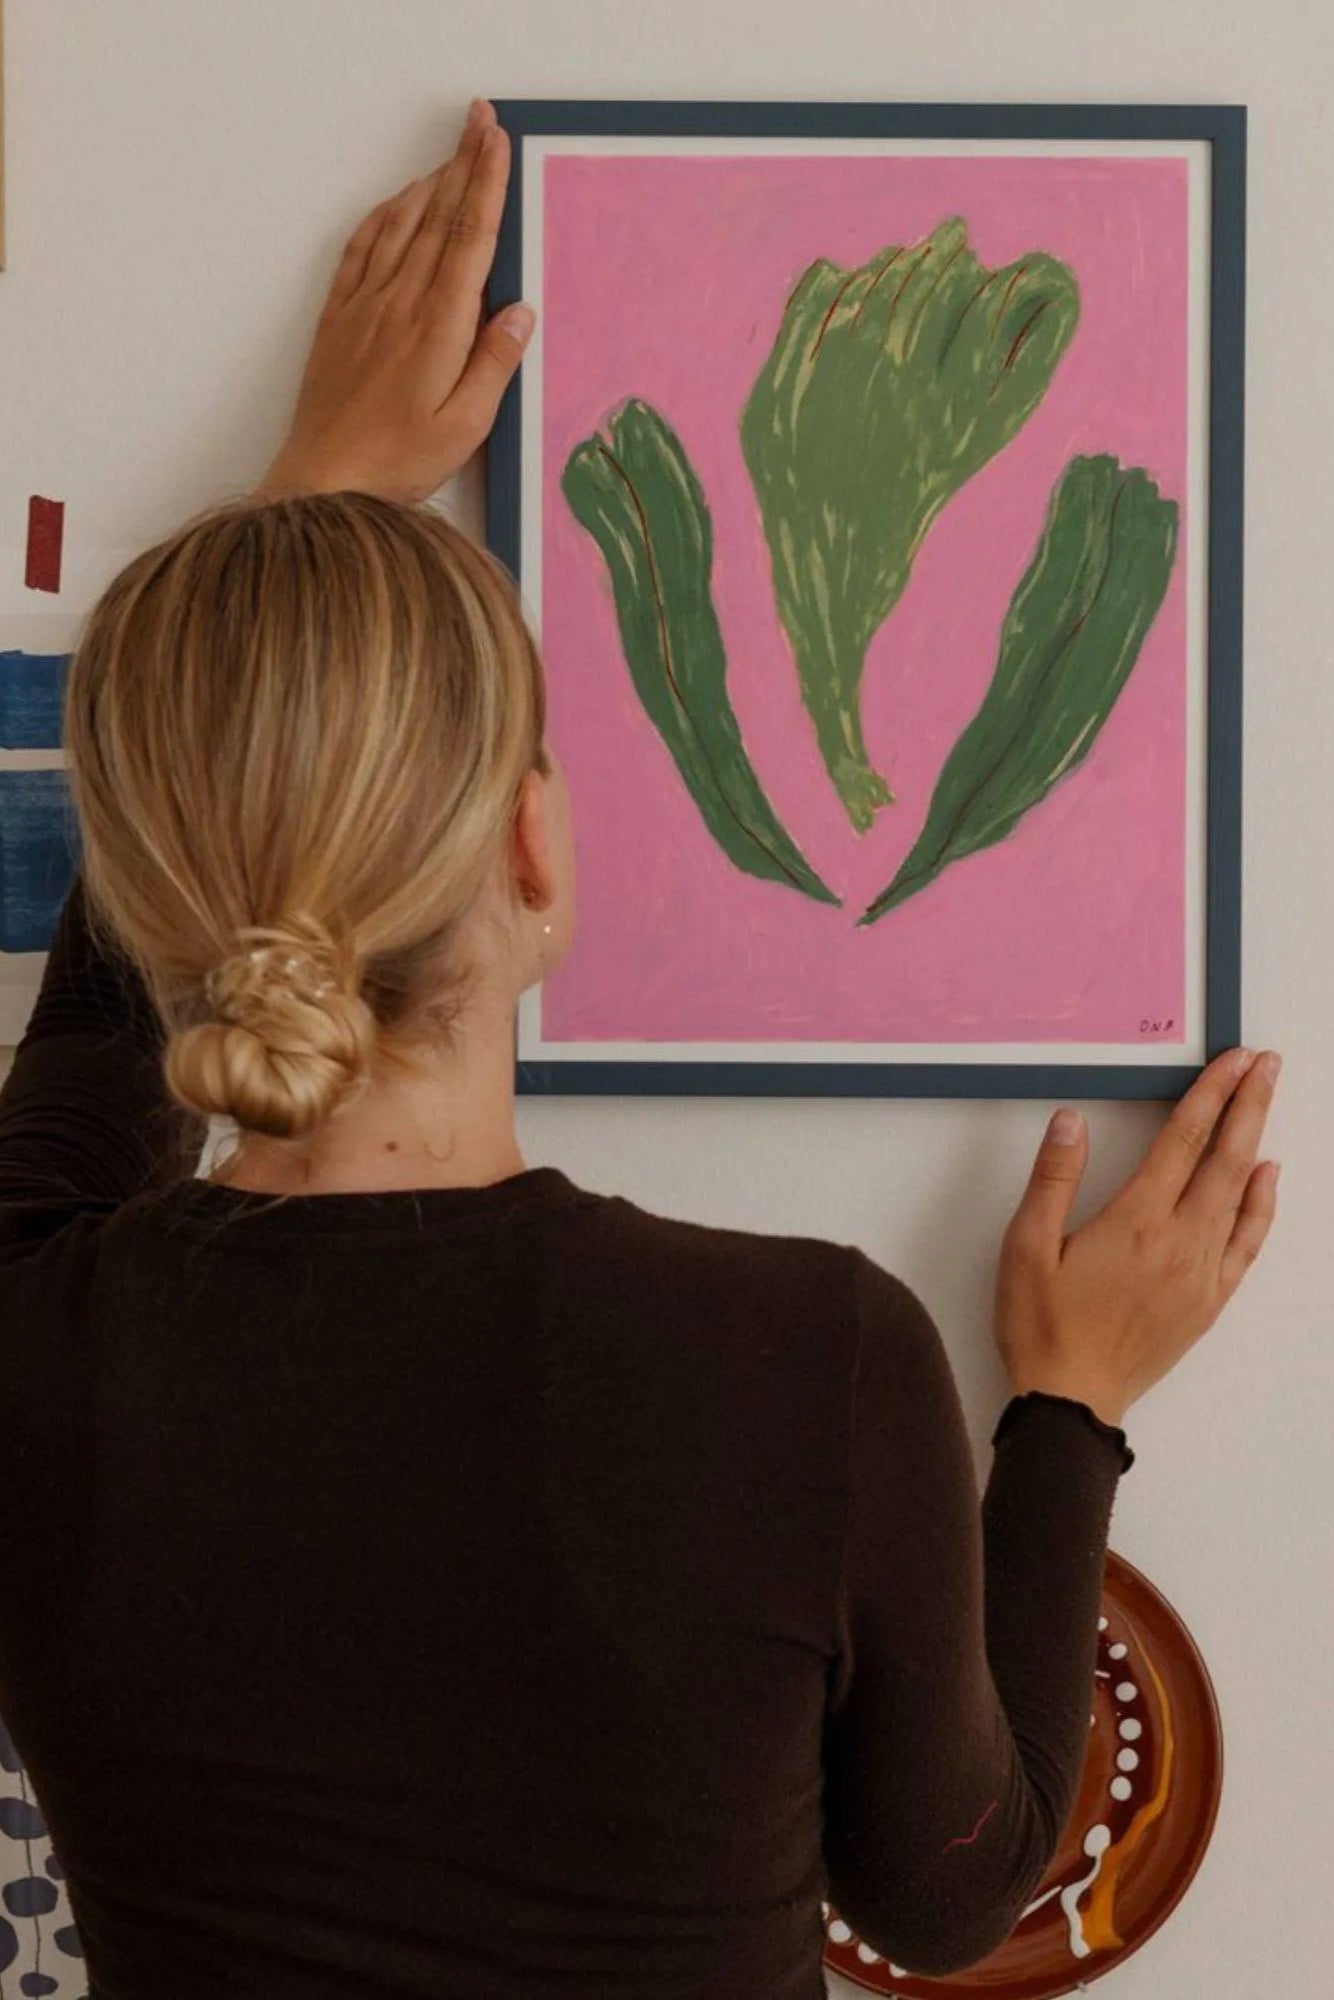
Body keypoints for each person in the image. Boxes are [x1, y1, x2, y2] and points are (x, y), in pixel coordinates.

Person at [0, 99, 1278, 2000]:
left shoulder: (35, 1338)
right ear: (534, 845)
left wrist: (306, 530)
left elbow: (92, 1059)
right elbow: (944, 1900)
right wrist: (1070, 1405)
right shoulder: (805, 1360)